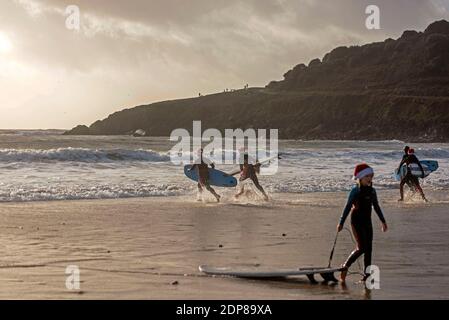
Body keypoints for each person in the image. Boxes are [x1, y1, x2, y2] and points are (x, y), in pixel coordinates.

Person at [337, 163, 388, 283]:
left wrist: (383, 221)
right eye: (367, 176)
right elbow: (347, 206)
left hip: (367, 221)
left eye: (371, 176)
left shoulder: (372, 191)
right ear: (360, 177)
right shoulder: (355, 191)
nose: (370, 179)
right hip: (356, 221)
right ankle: (345, 266)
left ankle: (367, 276)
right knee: (362, 248)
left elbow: (376, 206)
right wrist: (341, 222)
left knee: (369, 249)